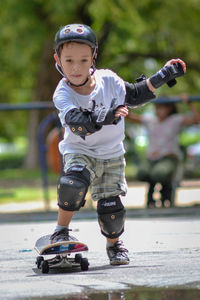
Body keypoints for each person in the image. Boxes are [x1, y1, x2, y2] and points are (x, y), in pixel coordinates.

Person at [51, 23, 186, 265]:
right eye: (69, 61)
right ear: (58, 59)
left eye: (83, 60)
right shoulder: (63, 92)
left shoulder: (108, 80)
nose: (76, 68)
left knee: (111, 208)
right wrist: (107, 115)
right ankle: (61, 229)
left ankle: (114, 245)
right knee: (73, 183)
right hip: (79, 150)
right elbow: (77, 123)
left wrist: (163, 75)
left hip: (111, 154)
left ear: (93, 57)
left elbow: (134, 95)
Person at [127, 94, 200, 208]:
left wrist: (189, 103)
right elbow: (129, 117)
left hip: (168, 157)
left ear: (169, 108)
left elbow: (196, 120)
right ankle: (151, 198)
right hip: (152, 158)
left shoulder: (175, 120)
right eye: (157, 107)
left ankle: (166, 196)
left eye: (162, 108)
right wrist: (126, 101)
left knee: (160, 172)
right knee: (143, 172)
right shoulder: (150, 120)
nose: (158, 111)